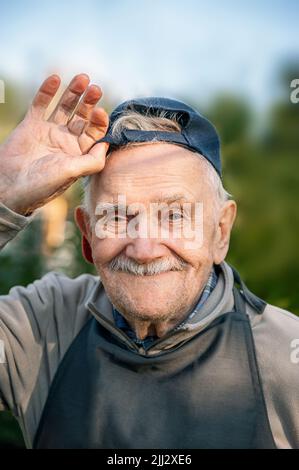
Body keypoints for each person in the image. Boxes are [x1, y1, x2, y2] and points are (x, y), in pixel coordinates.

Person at [0, 74, 298, 449]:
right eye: (118, 217)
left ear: (220, 232)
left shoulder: (287, 356)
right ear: (88, 236)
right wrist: (5, 195)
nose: (144, 249)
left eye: (175, 216)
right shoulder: (42, 327)